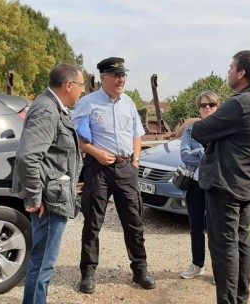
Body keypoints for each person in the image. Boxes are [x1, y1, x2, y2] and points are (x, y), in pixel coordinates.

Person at [191, 50, 250, 304]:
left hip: (225, 185)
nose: (228, 72)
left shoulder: (239, 103)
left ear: (241, 73)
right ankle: (241, 298)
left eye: (230, 67)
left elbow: (200, 130)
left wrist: (206, 125)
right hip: (248, 183)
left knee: (224, 247)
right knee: (240, 241)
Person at [72, 57, 156, 294]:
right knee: (92, 223)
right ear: (103, 78)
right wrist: (96, 153)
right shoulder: (87, 103)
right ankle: (88, 273)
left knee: (134, 222)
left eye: (123, 75)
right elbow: (77, 139)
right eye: (116, 76)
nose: (121, 80)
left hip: (125, 168)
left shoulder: (128, 102)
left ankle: (140, 269)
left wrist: (135, 162)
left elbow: (136, 134)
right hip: (98, 169)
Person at [12, 63, 85, 304]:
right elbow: (28, 157)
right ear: (69, 85)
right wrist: (34, 197)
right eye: (81, 86)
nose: (82, 91)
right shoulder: (47, 111)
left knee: (42, 264)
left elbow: (52, 157)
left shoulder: (54, 107)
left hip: (53, 196)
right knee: (43, 265)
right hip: (48, 202)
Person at [179, 91, 221, 280]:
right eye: (203, 105)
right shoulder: (191, 130)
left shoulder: (222, 128)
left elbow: (221, 159)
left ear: (217, 106)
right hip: (195, 184)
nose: (207, 108)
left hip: (216, 184)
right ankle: (198, 265)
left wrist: (198, 152)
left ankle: (219, 271)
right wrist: (204, 154)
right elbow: (184, 156)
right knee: (196, 227)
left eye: (211, 104)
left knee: (217, 228)